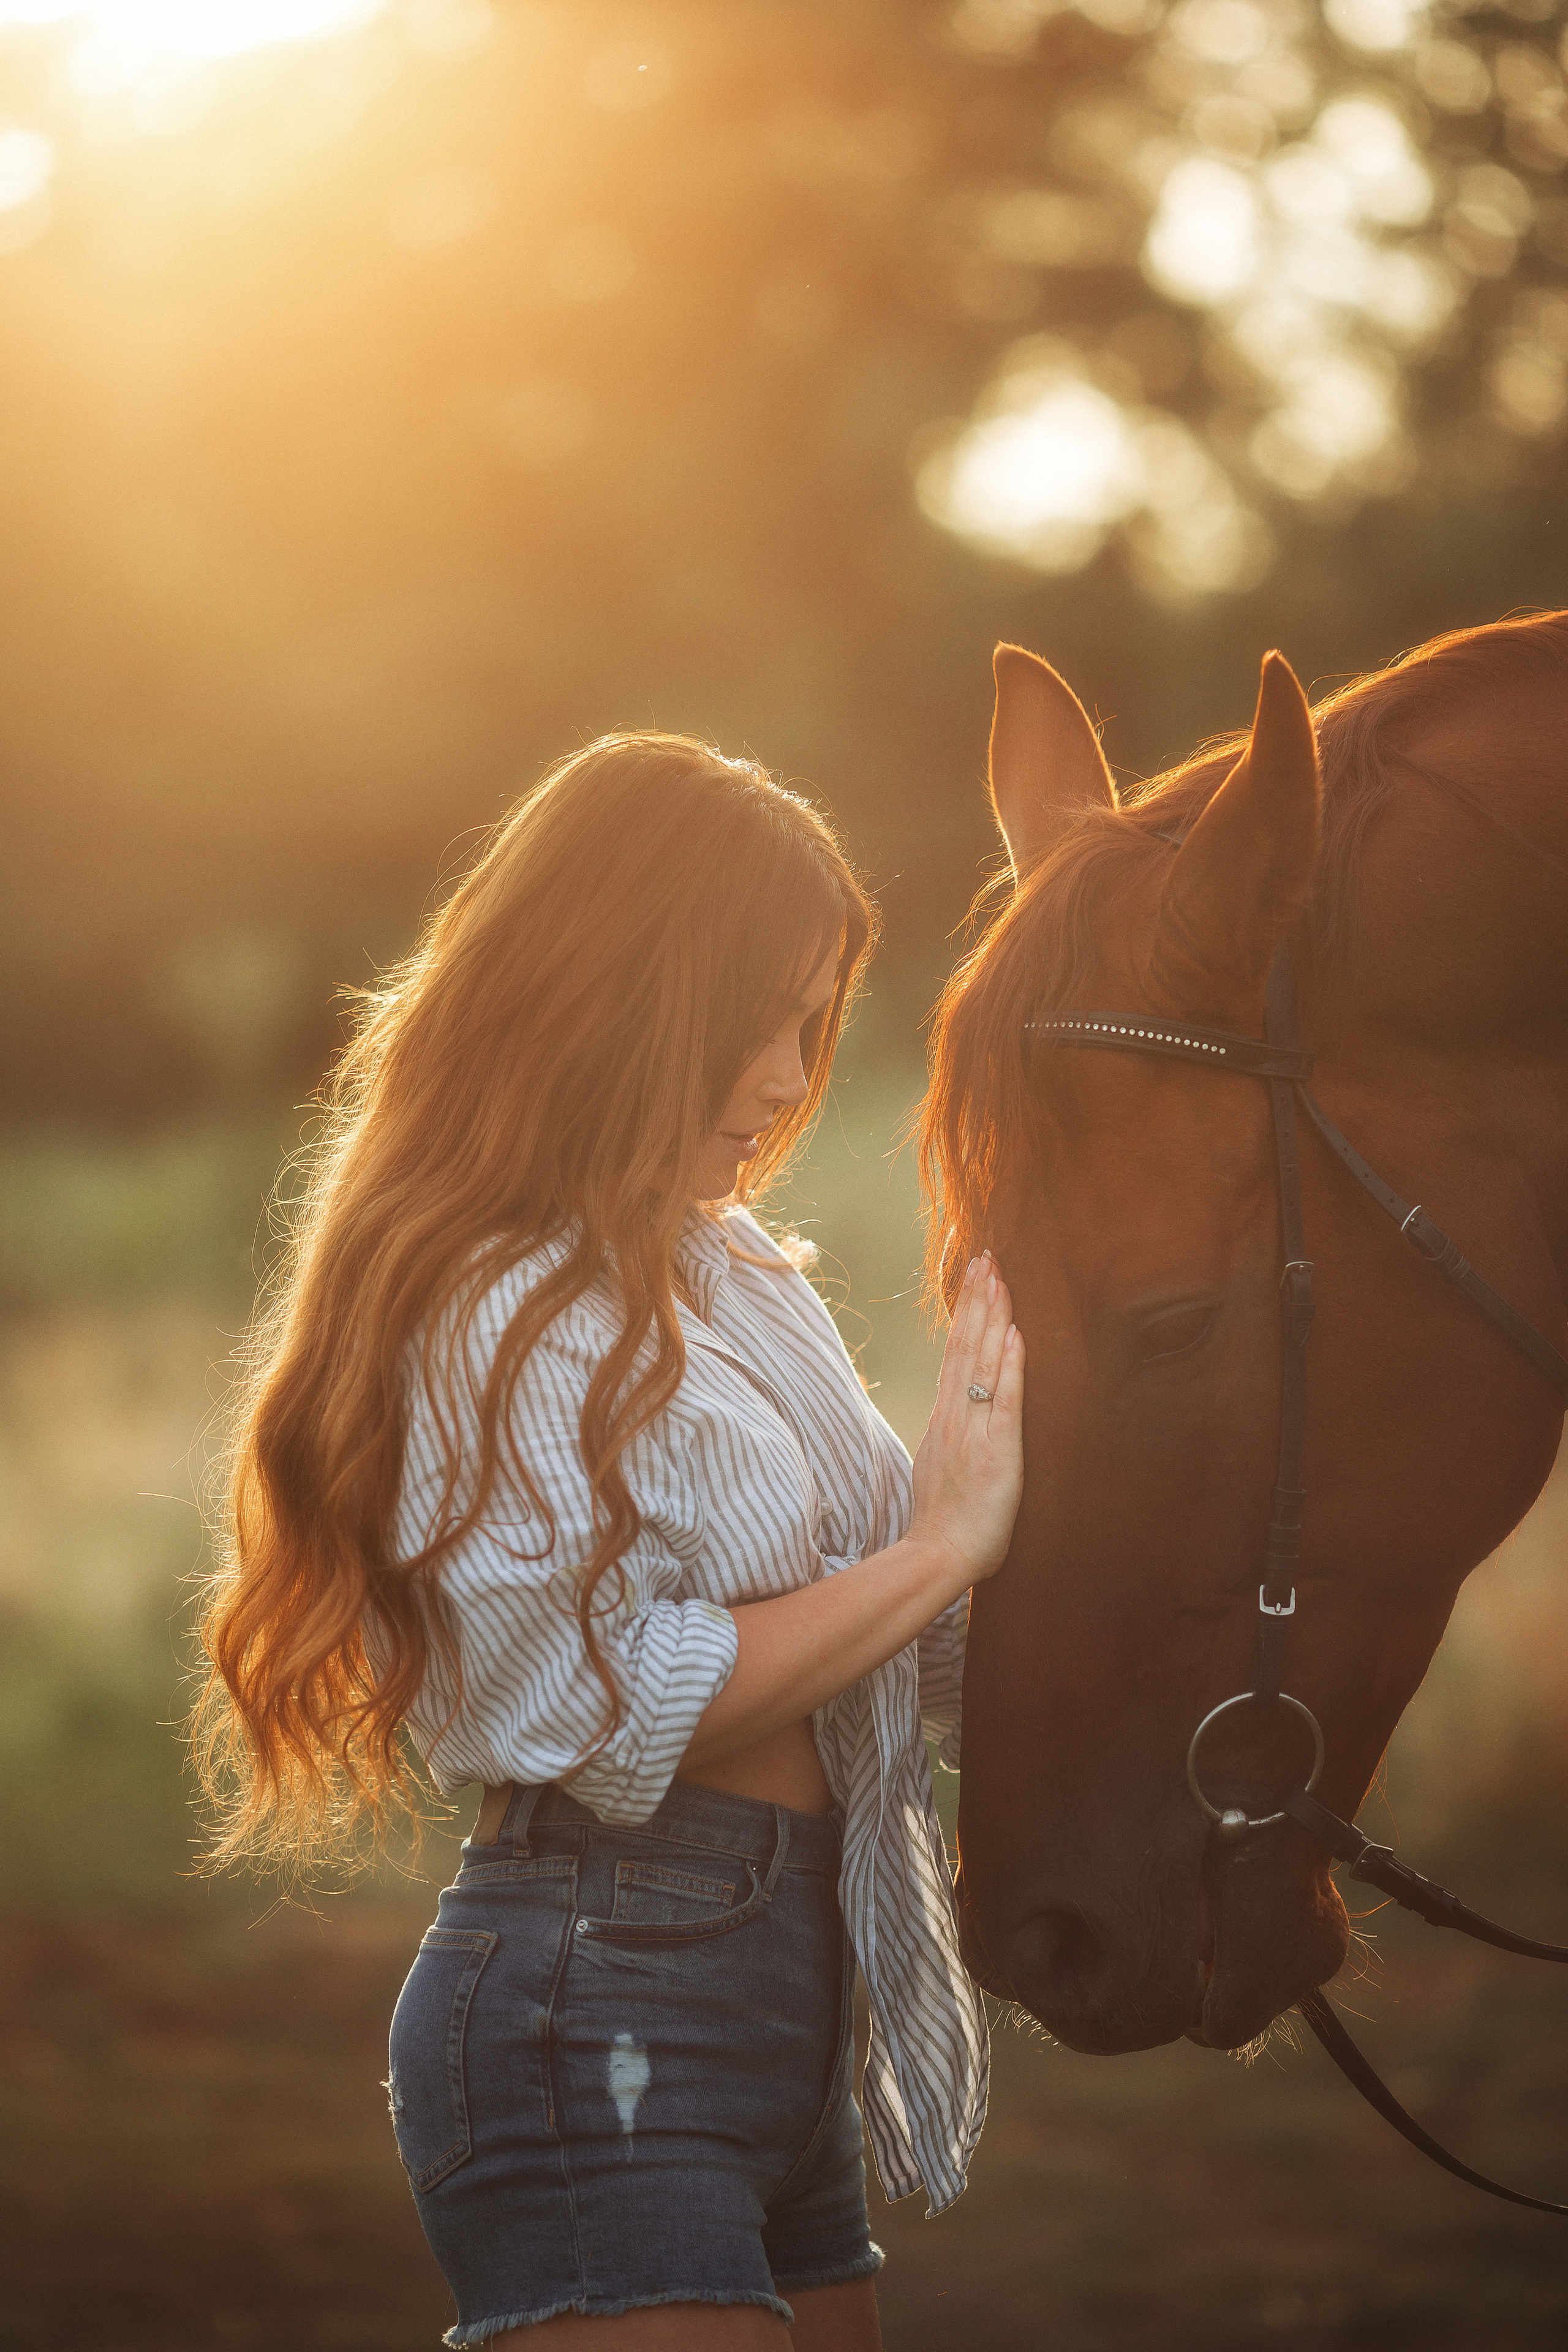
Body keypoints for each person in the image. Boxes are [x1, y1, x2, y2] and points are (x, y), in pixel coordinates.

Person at [195, 733, 1024, 2350]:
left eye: (812, 1023)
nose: (791, 1080)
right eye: (756, 1021)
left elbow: (906, 1647)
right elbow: (605, 1704)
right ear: (622, 997)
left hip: (793, 1982)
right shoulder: (488, 1295)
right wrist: (941, 1547)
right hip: (601, 1992)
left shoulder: (733, 1283)